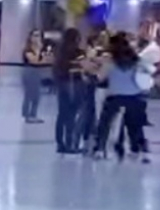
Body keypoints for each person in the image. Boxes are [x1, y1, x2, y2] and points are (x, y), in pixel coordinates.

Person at [92, 33, 150, 163]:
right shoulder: (136, 60)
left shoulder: (110, 61)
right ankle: (139, 150)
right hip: (134, 96)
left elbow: (101, 77)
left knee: (105, 123)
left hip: (115, 96)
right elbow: (146, 73)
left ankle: (100, 149)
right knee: (135, 125)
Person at [52, 28, 85, 154]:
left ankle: (60, 143)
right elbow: (83, 65)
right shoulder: (77, 52)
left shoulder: (60, 52)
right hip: (73, 84)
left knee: (62, 114)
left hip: (62, 84)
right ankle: (70, 143)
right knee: (71, 115)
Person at [21, 29, 50, 124]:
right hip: (29, 72)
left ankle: (34, 114)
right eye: (35, 35)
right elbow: (34, 61)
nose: (37, 38)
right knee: (29, 94)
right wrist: (38, 51)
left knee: (37, 95)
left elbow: (45, 60)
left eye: (39, 35)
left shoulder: (41, 50)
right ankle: (27, 115)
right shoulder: (28, 50)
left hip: (38, 72)